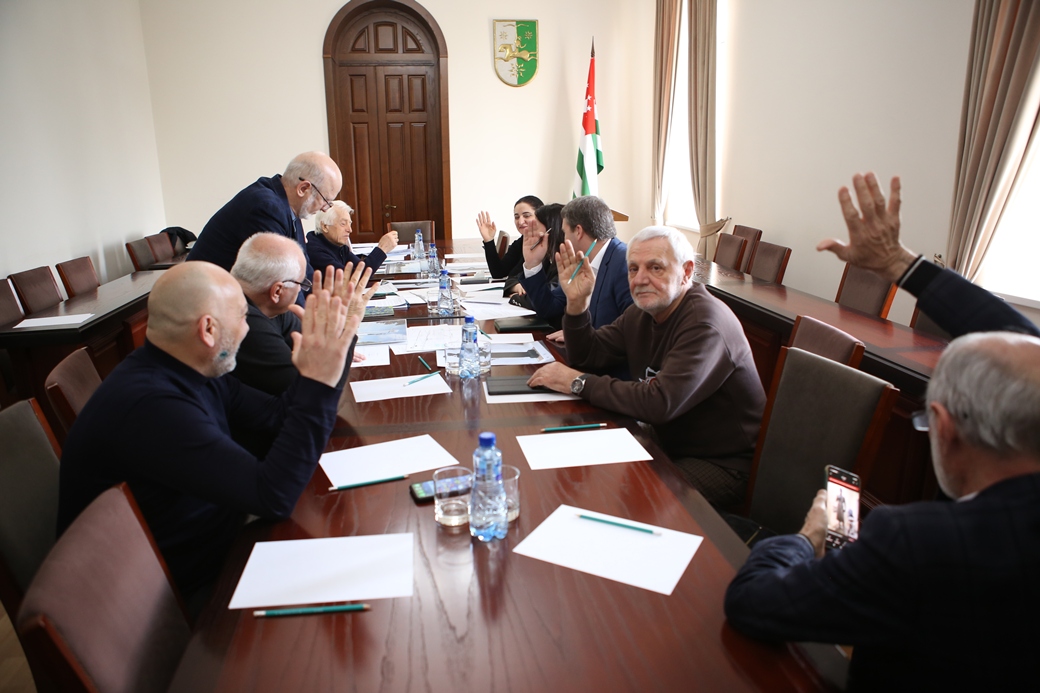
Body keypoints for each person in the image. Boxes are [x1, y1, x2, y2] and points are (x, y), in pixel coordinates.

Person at [724, 173, 1040, 690]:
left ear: (943, 428)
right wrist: (904, 267)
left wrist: (806, 538)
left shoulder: (917, 545)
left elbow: (753, 603)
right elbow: (1026, 344)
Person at [57, 260, 366, 606]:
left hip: (218, 542)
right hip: (169, 600)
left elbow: (277, 415)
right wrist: (316, 383)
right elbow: (274, 496)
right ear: (208, 329)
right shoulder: (153, 407)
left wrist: (335, 345)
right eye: (242, 317)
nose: (248, 330)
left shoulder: (189, 368)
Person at [527, 225, 765, 507]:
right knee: (572, 467)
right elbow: (589, 355)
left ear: (686, 272)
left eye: (655, 268)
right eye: (633, 269)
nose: (640, 279)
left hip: (722, 462)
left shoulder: (705, 323)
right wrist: (577, 305)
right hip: (669, 439)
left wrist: (578, 382)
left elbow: (659, 403)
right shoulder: (642, 312)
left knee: (635, 500)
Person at [230, 232, 375, 397]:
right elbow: (316, 391)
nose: (301, 289)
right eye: (301, 283)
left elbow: (313, 346)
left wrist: (332, 343)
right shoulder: (245, 324)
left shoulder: (271, 307)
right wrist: (347, 325)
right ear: (277, 291)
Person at [187, 151, 343, 283]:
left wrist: (328, 299)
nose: (324, 208)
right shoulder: (265, 208)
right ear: (303, 188)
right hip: (204, 298)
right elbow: (284, 282)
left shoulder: (289, 207)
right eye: (325, 200)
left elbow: (304, 272)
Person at [519, 195, 633, 329]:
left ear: (578, 231)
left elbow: (632, 328)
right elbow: (549, 308)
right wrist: (533, 264)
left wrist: (579, 334)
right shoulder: (580, 260)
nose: (563, 238)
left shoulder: (625, 262)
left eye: (564, 232)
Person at [475, 195, 543, 297]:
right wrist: (489, 240)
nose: (520, 221)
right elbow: (499, 272)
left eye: (527, 216)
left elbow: (516, 277)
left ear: (541, 216)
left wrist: (513, 285)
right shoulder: (521, 241)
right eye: (517, 217)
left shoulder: (545, 243)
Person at [306, 200, 398, 275]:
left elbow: (361, 268)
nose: (350, 230)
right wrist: (381, 249)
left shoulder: (336, 245)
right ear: (325, 226)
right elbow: (353, 279)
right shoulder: (315, 252)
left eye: (350, 224)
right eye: (343, 224)